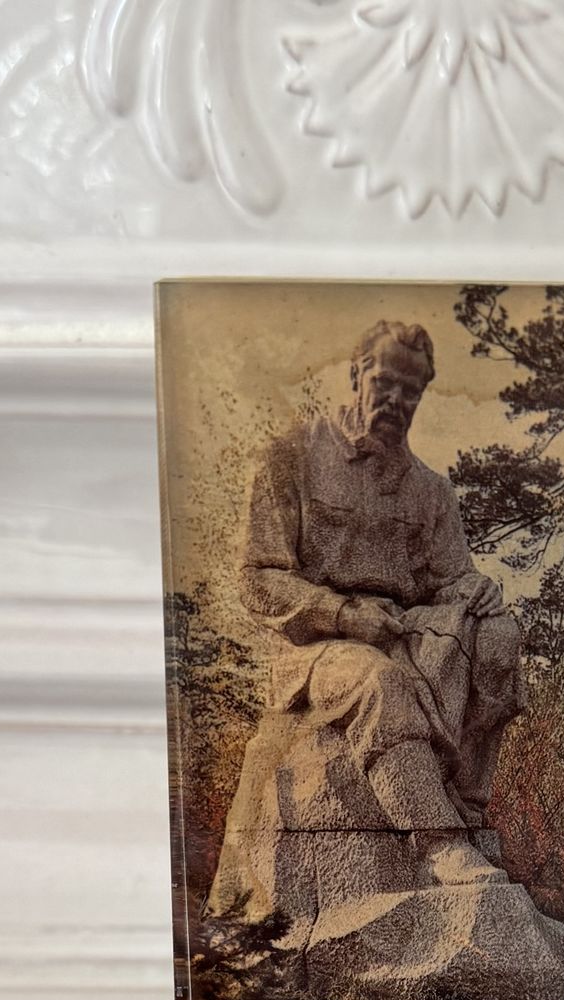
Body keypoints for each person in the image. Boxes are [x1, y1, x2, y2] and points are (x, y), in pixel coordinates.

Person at [206, 319, 526, 919]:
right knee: (380, 682)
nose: (396, 401)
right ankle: (440, 843)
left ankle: (466, 808)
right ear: (356, 373)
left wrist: (480, 589)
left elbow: (450, 577)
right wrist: (346, 615)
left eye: (411, 391)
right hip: (314, 651)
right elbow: (258, 579)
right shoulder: (292, 457)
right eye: (385, 383)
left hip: (405, 633)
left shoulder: (430, 490)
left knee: (500, 638)